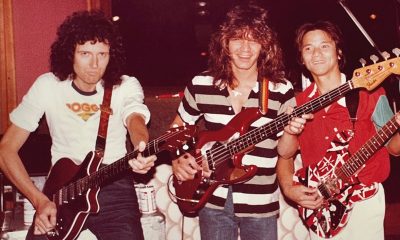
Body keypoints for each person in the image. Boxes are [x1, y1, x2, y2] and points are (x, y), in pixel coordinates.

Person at [0, 11, 156, 239]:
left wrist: (141, 146)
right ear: (69, 53)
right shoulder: (47, 86)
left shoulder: (125, 85)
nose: (94, 64)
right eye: (85, 53)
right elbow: (5, 150)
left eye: (102, 54)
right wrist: (40, 201)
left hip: (114, 189)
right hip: (62, 191)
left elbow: (135, 119)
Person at [170, 4, 308, 240]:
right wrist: (177, 159)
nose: (245, 49)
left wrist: (291, 132)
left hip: (260, 201)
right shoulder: (201, 84)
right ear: (224, 43)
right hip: (211, 197)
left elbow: (286, 151)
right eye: (237, 39)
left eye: (254, 40)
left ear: (265, 46)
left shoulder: (280, 89)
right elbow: (176, 129)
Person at [277, 20, 400, 240]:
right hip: (320, 205)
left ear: (338, 51)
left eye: (324, 46)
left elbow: (394, 147)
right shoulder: (296, 104)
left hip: (365, 201)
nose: (317, 53)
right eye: (308, 48)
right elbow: (285, 155)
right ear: (302, 59)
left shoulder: (369, 93)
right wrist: (289, 188)